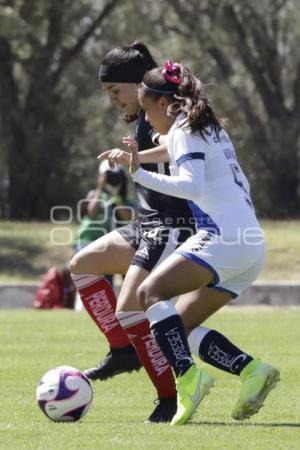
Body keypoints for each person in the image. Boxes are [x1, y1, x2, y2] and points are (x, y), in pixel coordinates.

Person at [119, 61, 280, 426]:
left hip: (222, 237)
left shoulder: (183, 132)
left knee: (149, 294)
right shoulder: (203, 127)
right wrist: (136, 156)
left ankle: (189, 379)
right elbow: (171, 147)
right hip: (250, 245)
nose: (146, 122)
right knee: (178, 327)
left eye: (146, 111)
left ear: (163, 104)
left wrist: (138, 173)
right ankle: (253, 370)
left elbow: (190, 184)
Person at [70, 42, 197, 423]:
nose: (112, 101)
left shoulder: (165, 117)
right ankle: (123, 350)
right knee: (82, 265)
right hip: (146, 225)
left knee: (132, 309)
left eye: (114, 92)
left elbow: (180, 152)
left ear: (138, 85)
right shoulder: (145, 119)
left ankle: (170, 397)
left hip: (171, 227)